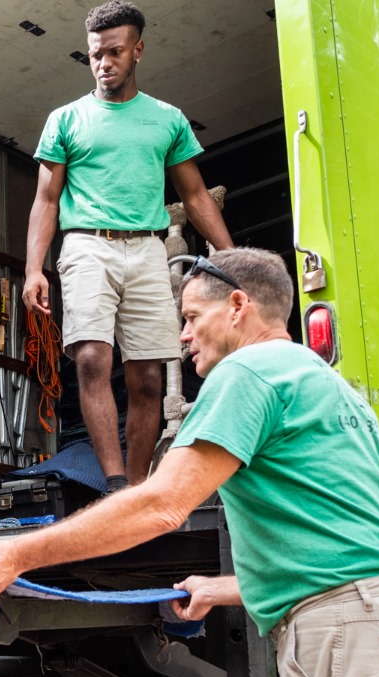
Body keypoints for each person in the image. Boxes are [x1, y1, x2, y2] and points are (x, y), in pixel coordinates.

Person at [0, 247, 379, 677]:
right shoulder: (325, 383)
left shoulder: (247, 372)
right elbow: (352, 539)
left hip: (343, 637)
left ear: (239, 305)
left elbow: (161, 505)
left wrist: (14, 554)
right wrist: (226, 587)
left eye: (193, 317)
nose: (182, 336)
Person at [25, 0, 233, 492]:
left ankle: (138, 488)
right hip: (86, 246)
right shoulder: (66, 119)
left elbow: (196, 195)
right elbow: (46, 199)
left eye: (114, 53)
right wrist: (35, 268)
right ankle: (116, 485)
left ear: (137, 50)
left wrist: (228, 257)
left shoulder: (166, 119)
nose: (103, 64)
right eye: (95, 54)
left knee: (147, 380)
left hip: (145, 249)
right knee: (93, 358)